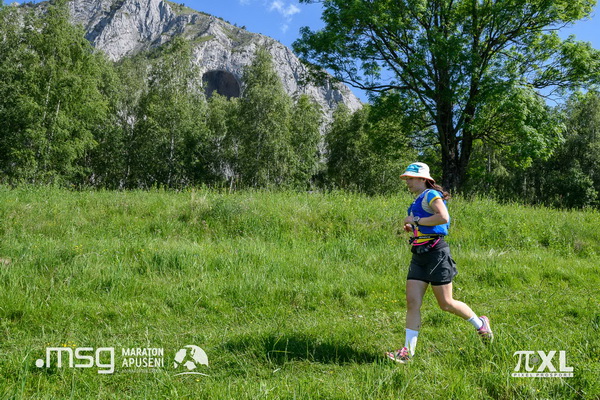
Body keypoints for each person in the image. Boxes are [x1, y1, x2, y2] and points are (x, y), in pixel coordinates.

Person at [386, 162, 493, 364]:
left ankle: (480, 324)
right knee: (412, 302)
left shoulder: (430, 195)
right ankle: (408, 352)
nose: (407, 181)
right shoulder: (417, 200)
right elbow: (424, 222)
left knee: (446, 303)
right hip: (419, 254)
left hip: (436, 253)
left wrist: (416, 221)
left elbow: (443, 217)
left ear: (423, 179)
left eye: (410, 178)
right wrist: (412, 228)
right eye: (406, 178)